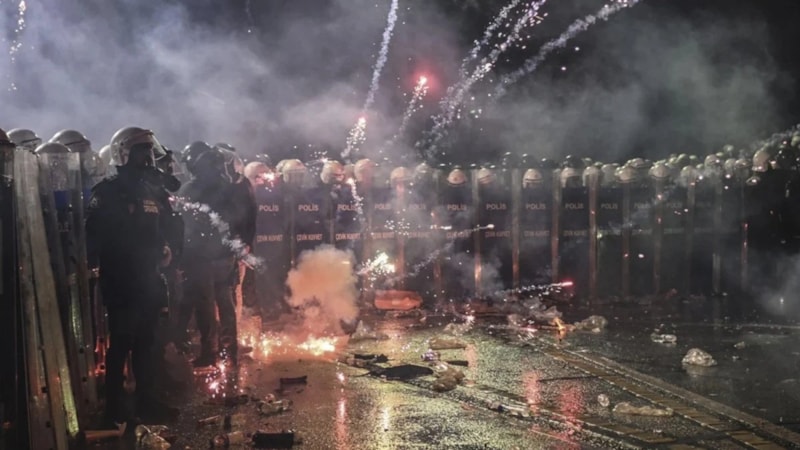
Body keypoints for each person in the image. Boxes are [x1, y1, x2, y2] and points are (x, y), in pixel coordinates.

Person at [85, 126, 179, 425]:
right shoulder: (108, 191)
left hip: (148, 279)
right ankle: (114, 409)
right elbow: (96, 237)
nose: (148, 157)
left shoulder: (149, 189)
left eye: (150, 151)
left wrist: (163, 246)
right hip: (122, 281)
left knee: (146, 344)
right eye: (142, 151)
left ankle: (146, 403)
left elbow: (157, 227)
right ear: (124, 153)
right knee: (122, 343)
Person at [177, 145, 244, 368]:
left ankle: (210, 352)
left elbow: (184, 224)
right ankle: (230, 351)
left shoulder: (189, 189)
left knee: (205, 305)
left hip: (201, 257)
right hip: (225, 255)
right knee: (226, 303)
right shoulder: (228, 187)